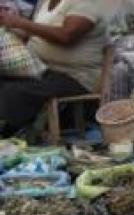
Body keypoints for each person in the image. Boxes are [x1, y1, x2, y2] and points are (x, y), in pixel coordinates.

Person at [0, 0, 106, 136]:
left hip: (75, 76)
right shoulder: (46, 4)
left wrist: (19, 22)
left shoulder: (84, 4)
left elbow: (67, 36)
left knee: (16, 90)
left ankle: (12, 130)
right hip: (44, 70)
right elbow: (34, 33)